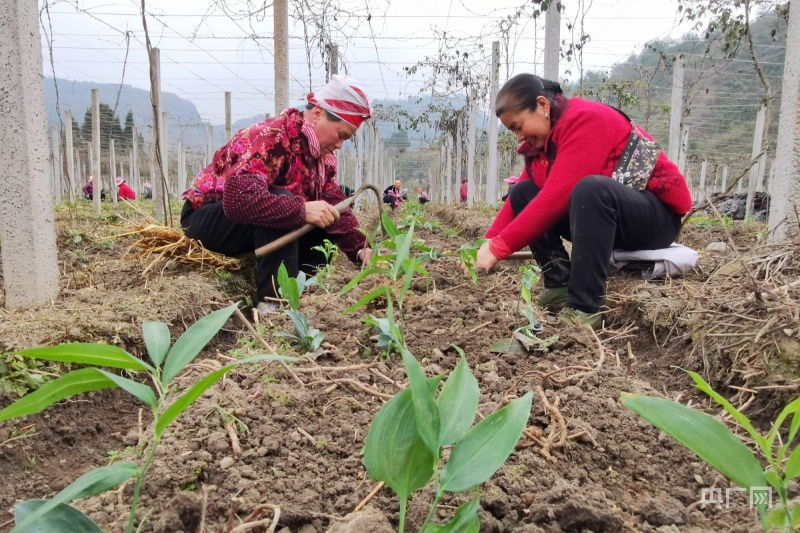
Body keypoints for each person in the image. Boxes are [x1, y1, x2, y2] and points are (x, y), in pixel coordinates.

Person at [461, 73, 692, 329]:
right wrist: (483, 245)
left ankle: (585, 307)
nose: (518, 137)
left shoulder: (586, 119)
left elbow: (557, 195)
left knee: (590, 189)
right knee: (522, 192)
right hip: (609, 219)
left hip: (654, 219)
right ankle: (559, 284)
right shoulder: (544, 145)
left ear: (543, 106)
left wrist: (499, 248)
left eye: (518, 126)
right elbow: (526, 198)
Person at [180, 74, 374, 315]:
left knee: (326, 217)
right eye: (341, 135)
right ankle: (273, 306)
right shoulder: (271, 137)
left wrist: (361, 248)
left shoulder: (322, 157)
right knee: (285, 201)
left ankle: (301, 291)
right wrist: (301, 209)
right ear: (317, 115)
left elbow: (333, 200)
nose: (339, 145)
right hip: (207, 219)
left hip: (247, 225)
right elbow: (238, 201)